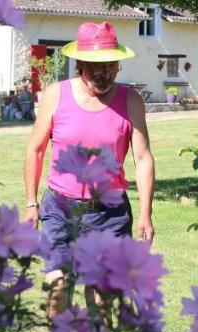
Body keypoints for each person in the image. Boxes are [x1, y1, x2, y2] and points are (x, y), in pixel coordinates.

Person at [23, 21, 155, 316]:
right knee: (58, 288)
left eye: (109, 65)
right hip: (60, 207)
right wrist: (31, 202)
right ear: (80, 64)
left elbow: (143, 158)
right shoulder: (56, 94)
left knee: (102, 299)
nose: (103, 72)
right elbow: (35, 148)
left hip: (109, 213)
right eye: (95, 65)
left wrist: (146, 212)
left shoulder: (131, 101)